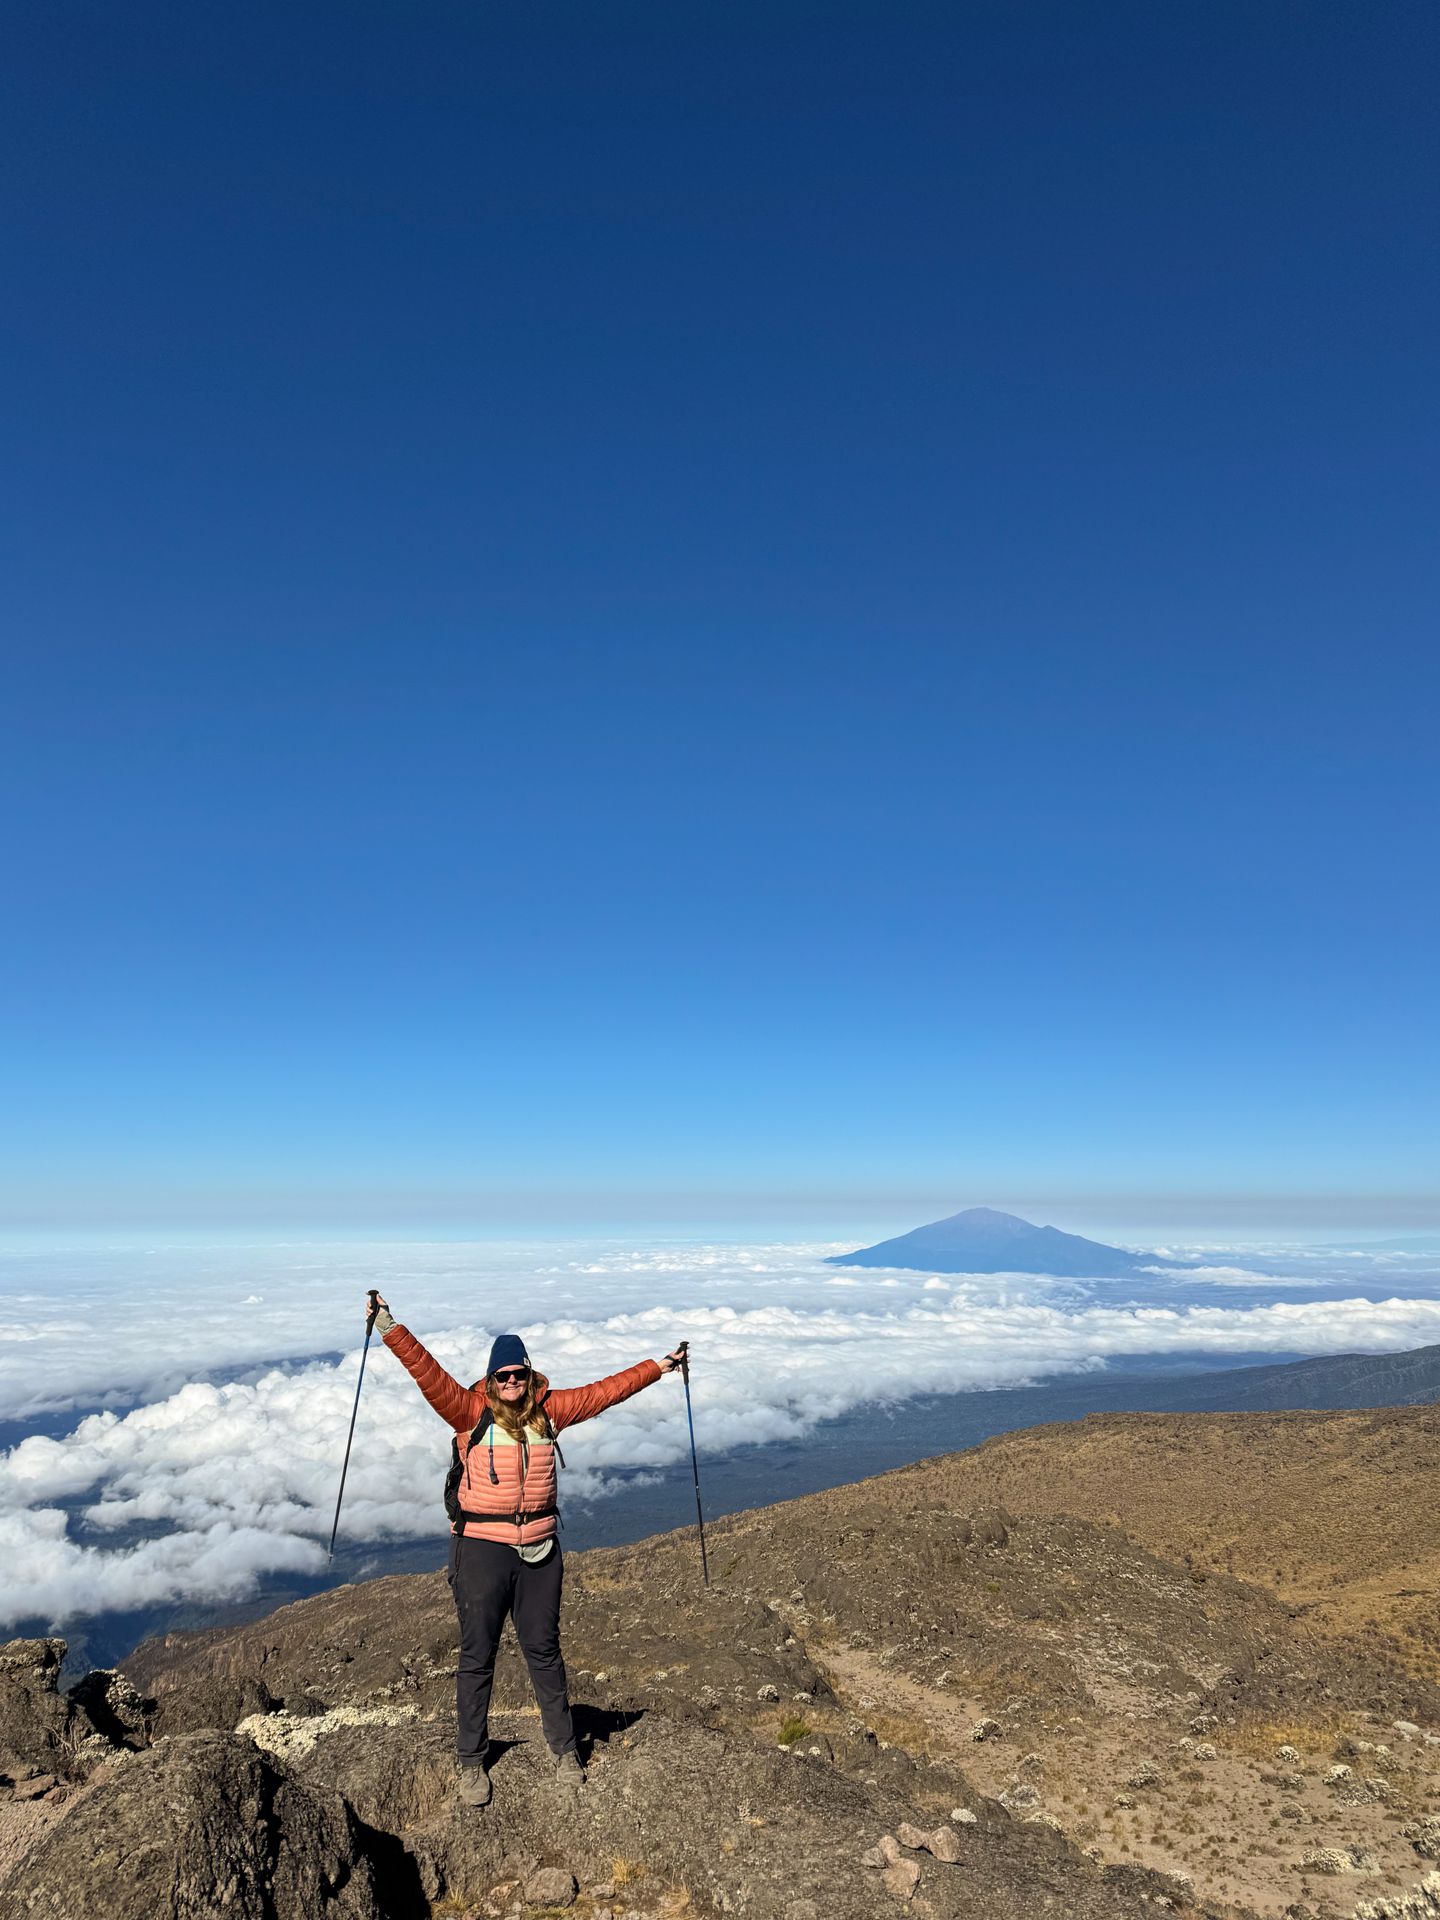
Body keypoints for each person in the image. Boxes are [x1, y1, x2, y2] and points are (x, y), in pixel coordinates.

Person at [369, 1292, 683, 1806]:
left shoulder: (551, 1411)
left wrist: (659, 1366)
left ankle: (564, 1749)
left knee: (543, 1650)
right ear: (490, 1380)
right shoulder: (467, 1411)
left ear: (530, 1375)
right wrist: (388, 1325)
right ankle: (472, 1762)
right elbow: (426, 1372)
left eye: (518, 1374)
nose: (511, 1383)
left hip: (540, 1549)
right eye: (502, 1376)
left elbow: (607, 1392)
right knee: (477, 1655)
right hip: (481, 1549)